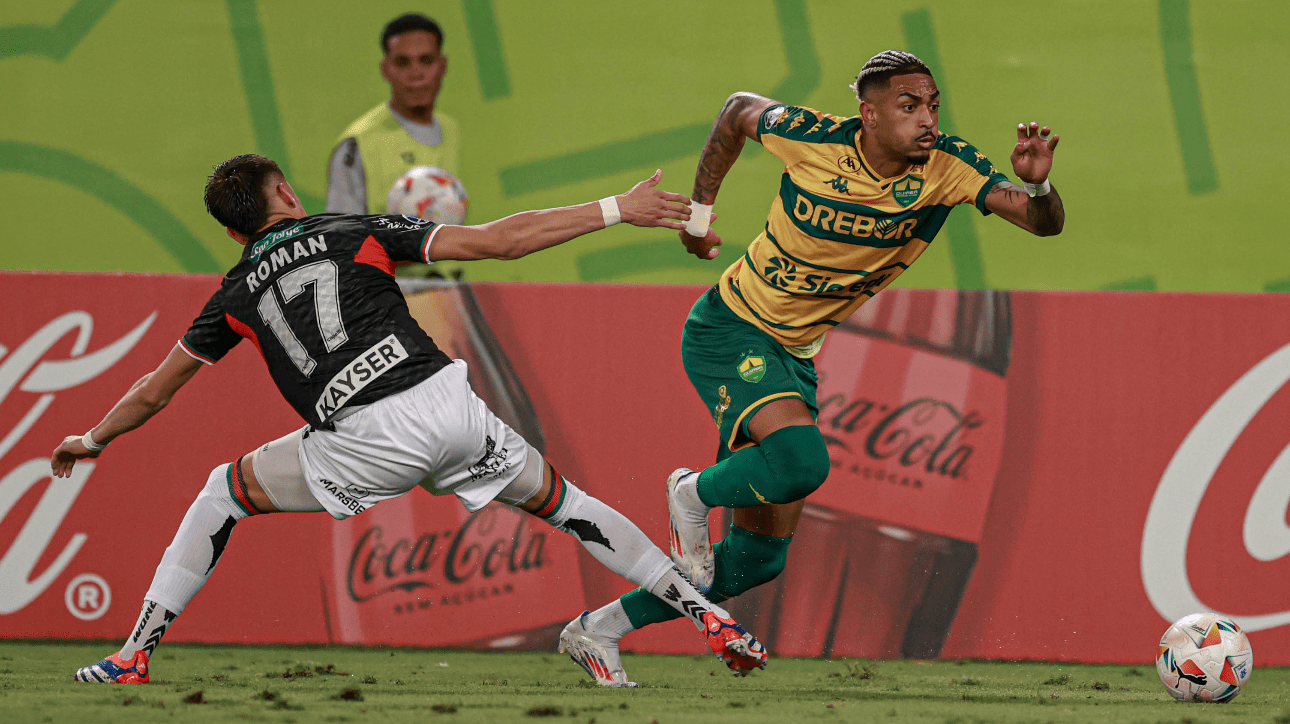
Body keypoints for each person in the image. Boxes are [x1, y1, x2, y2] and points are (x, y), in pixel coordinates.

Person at [55, 154, 766, 687]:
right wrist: (618, 207)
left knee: (222, 493)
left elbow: (154, 390)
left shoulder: (234, 294)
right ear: (288, 195)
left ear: (233, 228)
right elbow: (500, 242)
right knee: (566, 503)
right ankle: (706, 614)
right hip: (446, 404)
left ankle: (134, 653)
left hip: (361, 440)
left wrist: (91, 440)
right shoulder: (352, 230)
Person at [565, 50, 1065, 675]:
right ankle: (690, 492)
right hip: (730, 328)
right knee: (801, 462)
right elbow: (736, 112)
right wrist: (695, 219)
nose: (927, 120)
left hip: (794, 356)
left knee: (754, 564)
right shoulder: (813, 138)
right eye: (909, 107)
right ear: (869, 113)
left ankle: (598, 629)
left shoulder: (949, 167)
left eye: (932, 105)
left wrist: (1039, 185)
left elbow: (1041, 225)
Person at [326, 13, 458, 216]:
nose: (416, 74)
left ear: (443, 65)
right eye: (403, 63)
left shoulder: (453, 130)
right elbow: (342, 236)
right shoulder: (358, 144)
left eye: (426, 60)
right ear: (385, 69)